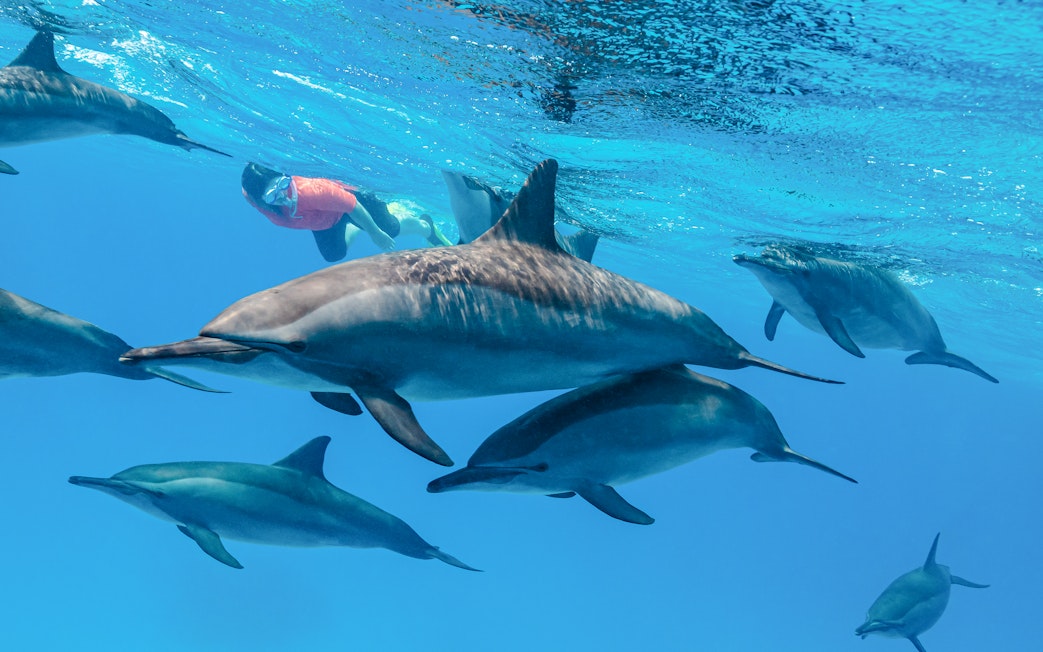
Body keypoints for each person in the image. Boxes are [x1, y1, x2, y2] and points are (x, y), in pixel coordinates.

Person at [242, 162, 452, 262]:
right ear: (261, 201)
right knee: (334, 254)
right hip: (326, 220)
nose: (282, 196)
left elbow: (353, 206)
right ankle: (355, 227)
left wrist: (375, 232)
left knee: (390, 230)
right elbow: (247, 189)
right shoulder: (254, 199)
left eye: (282, 185)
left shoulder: (312, 193)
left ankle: (427, 227)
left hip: (352, 203)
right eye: (272, 196)